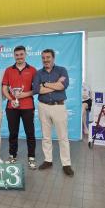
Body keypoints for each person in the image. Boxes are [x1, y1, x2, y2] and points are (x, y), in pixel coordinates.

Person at [33, 49, 74, 177]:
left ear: (53, 58)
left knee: (63, 137)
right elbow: (36, 89)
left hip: (59, 107)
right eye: (43, 58)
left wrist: (45, 84)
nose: (45, 60)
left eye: (48, 57)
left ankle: (66, 164)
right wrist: (54, 84)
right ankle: (48, 160)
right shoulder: (38, 73)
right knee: (46, 136)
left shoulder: (62, 70)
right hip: (43, 106)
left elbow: (62, 86)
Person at [2, 46, 37, 169]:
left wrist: (24, 94)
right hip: (12, 107)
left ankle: (31, 157)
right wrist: (11, 99)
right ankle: (12, 155)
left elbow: (36, 89)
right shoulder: (8, 70)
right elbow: (4, 88)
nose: (19, 57)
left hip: (28, 106)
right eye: (17, 55)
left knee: (30, 133)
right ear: (14, 56)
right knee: (13, 133)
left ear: (25, 54)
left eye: (21, 54)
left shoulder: (33, 70)